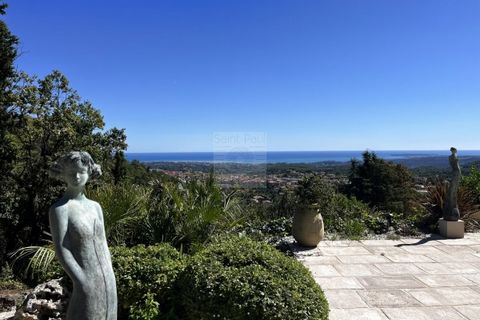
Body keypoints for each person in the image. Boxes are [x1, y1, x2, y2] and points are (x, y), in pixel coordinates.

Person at [49, 151, 117, 320]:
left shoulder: (96, 207)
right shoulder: (60, 209)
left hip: (108, 278)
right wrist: (81, 280)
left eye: (81, 172)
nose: (77, 176)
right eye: (72, 172)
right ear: (63, 174)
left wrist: (110, 273)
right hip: (85, 279)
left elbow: (104, 244)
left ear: (89, 173)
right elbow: (62, 249)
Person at [444, 147, 461, 221]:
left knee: (454, 190)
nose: (456, 151)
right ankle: (451, 208)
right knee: (452, 189)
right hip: (455, 172)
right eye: (455, 150)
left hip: (457, 172)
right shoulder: (451, 157)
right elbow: (454, 165)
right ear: (452, 150)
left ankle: (453, 207)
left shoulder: (454, 156)